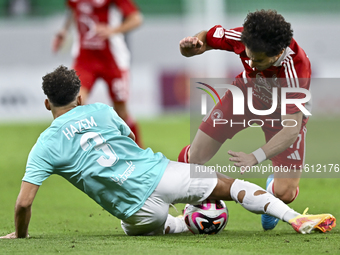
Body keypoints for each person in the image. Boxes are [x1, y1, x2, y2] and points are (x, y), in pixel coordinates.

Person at [0, 66, 335, 239]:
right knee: (229, 185)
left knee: (144, 226)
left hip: (135, 213)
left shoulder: (44, 144)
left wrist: (22, 234)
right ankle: (295, 218)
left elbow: (24, 202)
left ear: (47, 103)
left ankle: (187, 223)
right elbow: (129, 139)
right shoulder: (101, 110)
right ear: (80, 98)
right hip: (159, 174)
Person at [178, 10, 313, 230]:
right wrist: (189, 48)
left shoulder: (296, 70)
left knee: (285, 193)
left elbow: (291, 130)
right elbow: (205, 40)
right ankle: (189, 195)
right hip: (244, 96)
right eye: (248, 55)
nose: (251, 62)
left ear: (278, 52)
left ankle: (271, 193)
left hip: (282, 118)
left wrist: (255, 156)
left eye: (258, 60)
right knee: (194, 158)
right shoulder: (244, 37)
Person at [52, 0, 143, 147]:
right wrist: (64, 30)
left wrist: (112, 30)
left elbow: (136, 19)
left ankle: (139, 151)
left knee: (121, 112)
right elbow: (73, 10)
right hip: (85, 60)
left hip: (112, 60)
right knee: (73, 105)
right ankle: (84, 156)